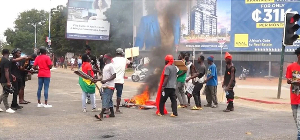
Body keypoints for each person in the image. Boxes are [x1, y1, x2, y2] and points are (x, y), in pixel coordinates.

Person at [95, 53, 116, 121]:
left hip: (109, 86)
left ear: (107, 58)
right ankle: (112, 113)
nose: (103, 58)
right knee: (109, 100)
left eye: (104, 57)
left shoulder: (111, 66)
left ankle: (101, 114)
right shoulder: (106, 66)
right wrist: (96, 80)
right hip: (106, 86)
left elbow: (114, 75)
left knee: (105, 99)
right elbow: (103, 78)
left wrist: (106, 81)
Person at [286, 47, 300, 140]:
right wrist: (293, 81)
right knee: (297, 121)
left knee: (299, 121)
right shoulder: (291, 67)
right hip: (294, 97)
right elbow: (288, 80)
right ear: (299, 56)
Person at [0, 49, 16, 113]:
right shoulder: (6, 61)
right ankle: (7, 108)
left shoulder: (1, 60)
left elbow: (5, 71)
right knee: (5, 94)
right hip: (5, 79)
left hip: (2, 78)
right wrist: (8, 81)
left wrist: (11, 75)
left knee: (4, 93)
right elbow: (6, 71)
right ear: (8, 53)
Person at [112, 48, 127, 113]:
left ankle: (108, 108)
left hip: (112, 80)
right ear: (121, 53)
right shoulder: (124, 59)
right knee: (119, 95)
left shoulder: (113, 59)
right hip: (120, 81)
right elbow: (130, 62)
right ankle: (117, 109)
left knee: (110, 95)